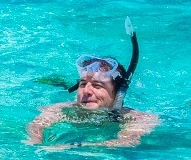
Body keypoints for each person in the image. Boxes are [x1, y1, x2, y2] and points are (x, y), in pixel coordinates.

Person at [26, 34, 158, 150]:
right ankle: (57, 81)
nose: (87, 91)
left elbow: (126, 142)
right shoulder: (63, 110)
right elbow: (36, 126)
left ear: (118, 94)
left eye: (97, 85)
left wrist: (74, 146)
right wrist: (36, 143)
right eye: (83, 84)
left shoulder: (138, 119)